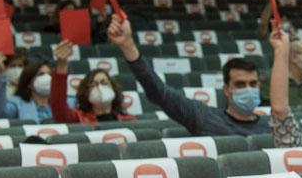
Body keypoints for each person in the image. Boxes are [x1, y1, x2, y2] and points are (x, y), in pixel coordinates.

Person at [106, 12, 269, 136]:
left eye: (253, 84)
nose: (248, 89)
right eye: (240, 84)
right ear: (226, 89)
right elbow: (158, 92)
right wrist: (128, 45)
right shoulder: (205, 118)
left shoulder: (270, 126)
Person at [50, 41, 137, 124]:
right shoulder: (77, 118)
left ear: (114, 89)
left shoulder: (129, 120)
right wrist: (62, 65)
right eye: (94, 84)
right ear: (86, 93)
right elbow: (58, 107)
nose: (100, 87)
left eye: (104, 83)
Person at [0, 52, 53, 121]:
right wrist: (0, 72)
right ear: (29, 82)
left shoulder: (62, 102)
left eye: (49, 74)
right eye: (41, 74)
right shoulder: (18, 104)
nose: (47, 77)